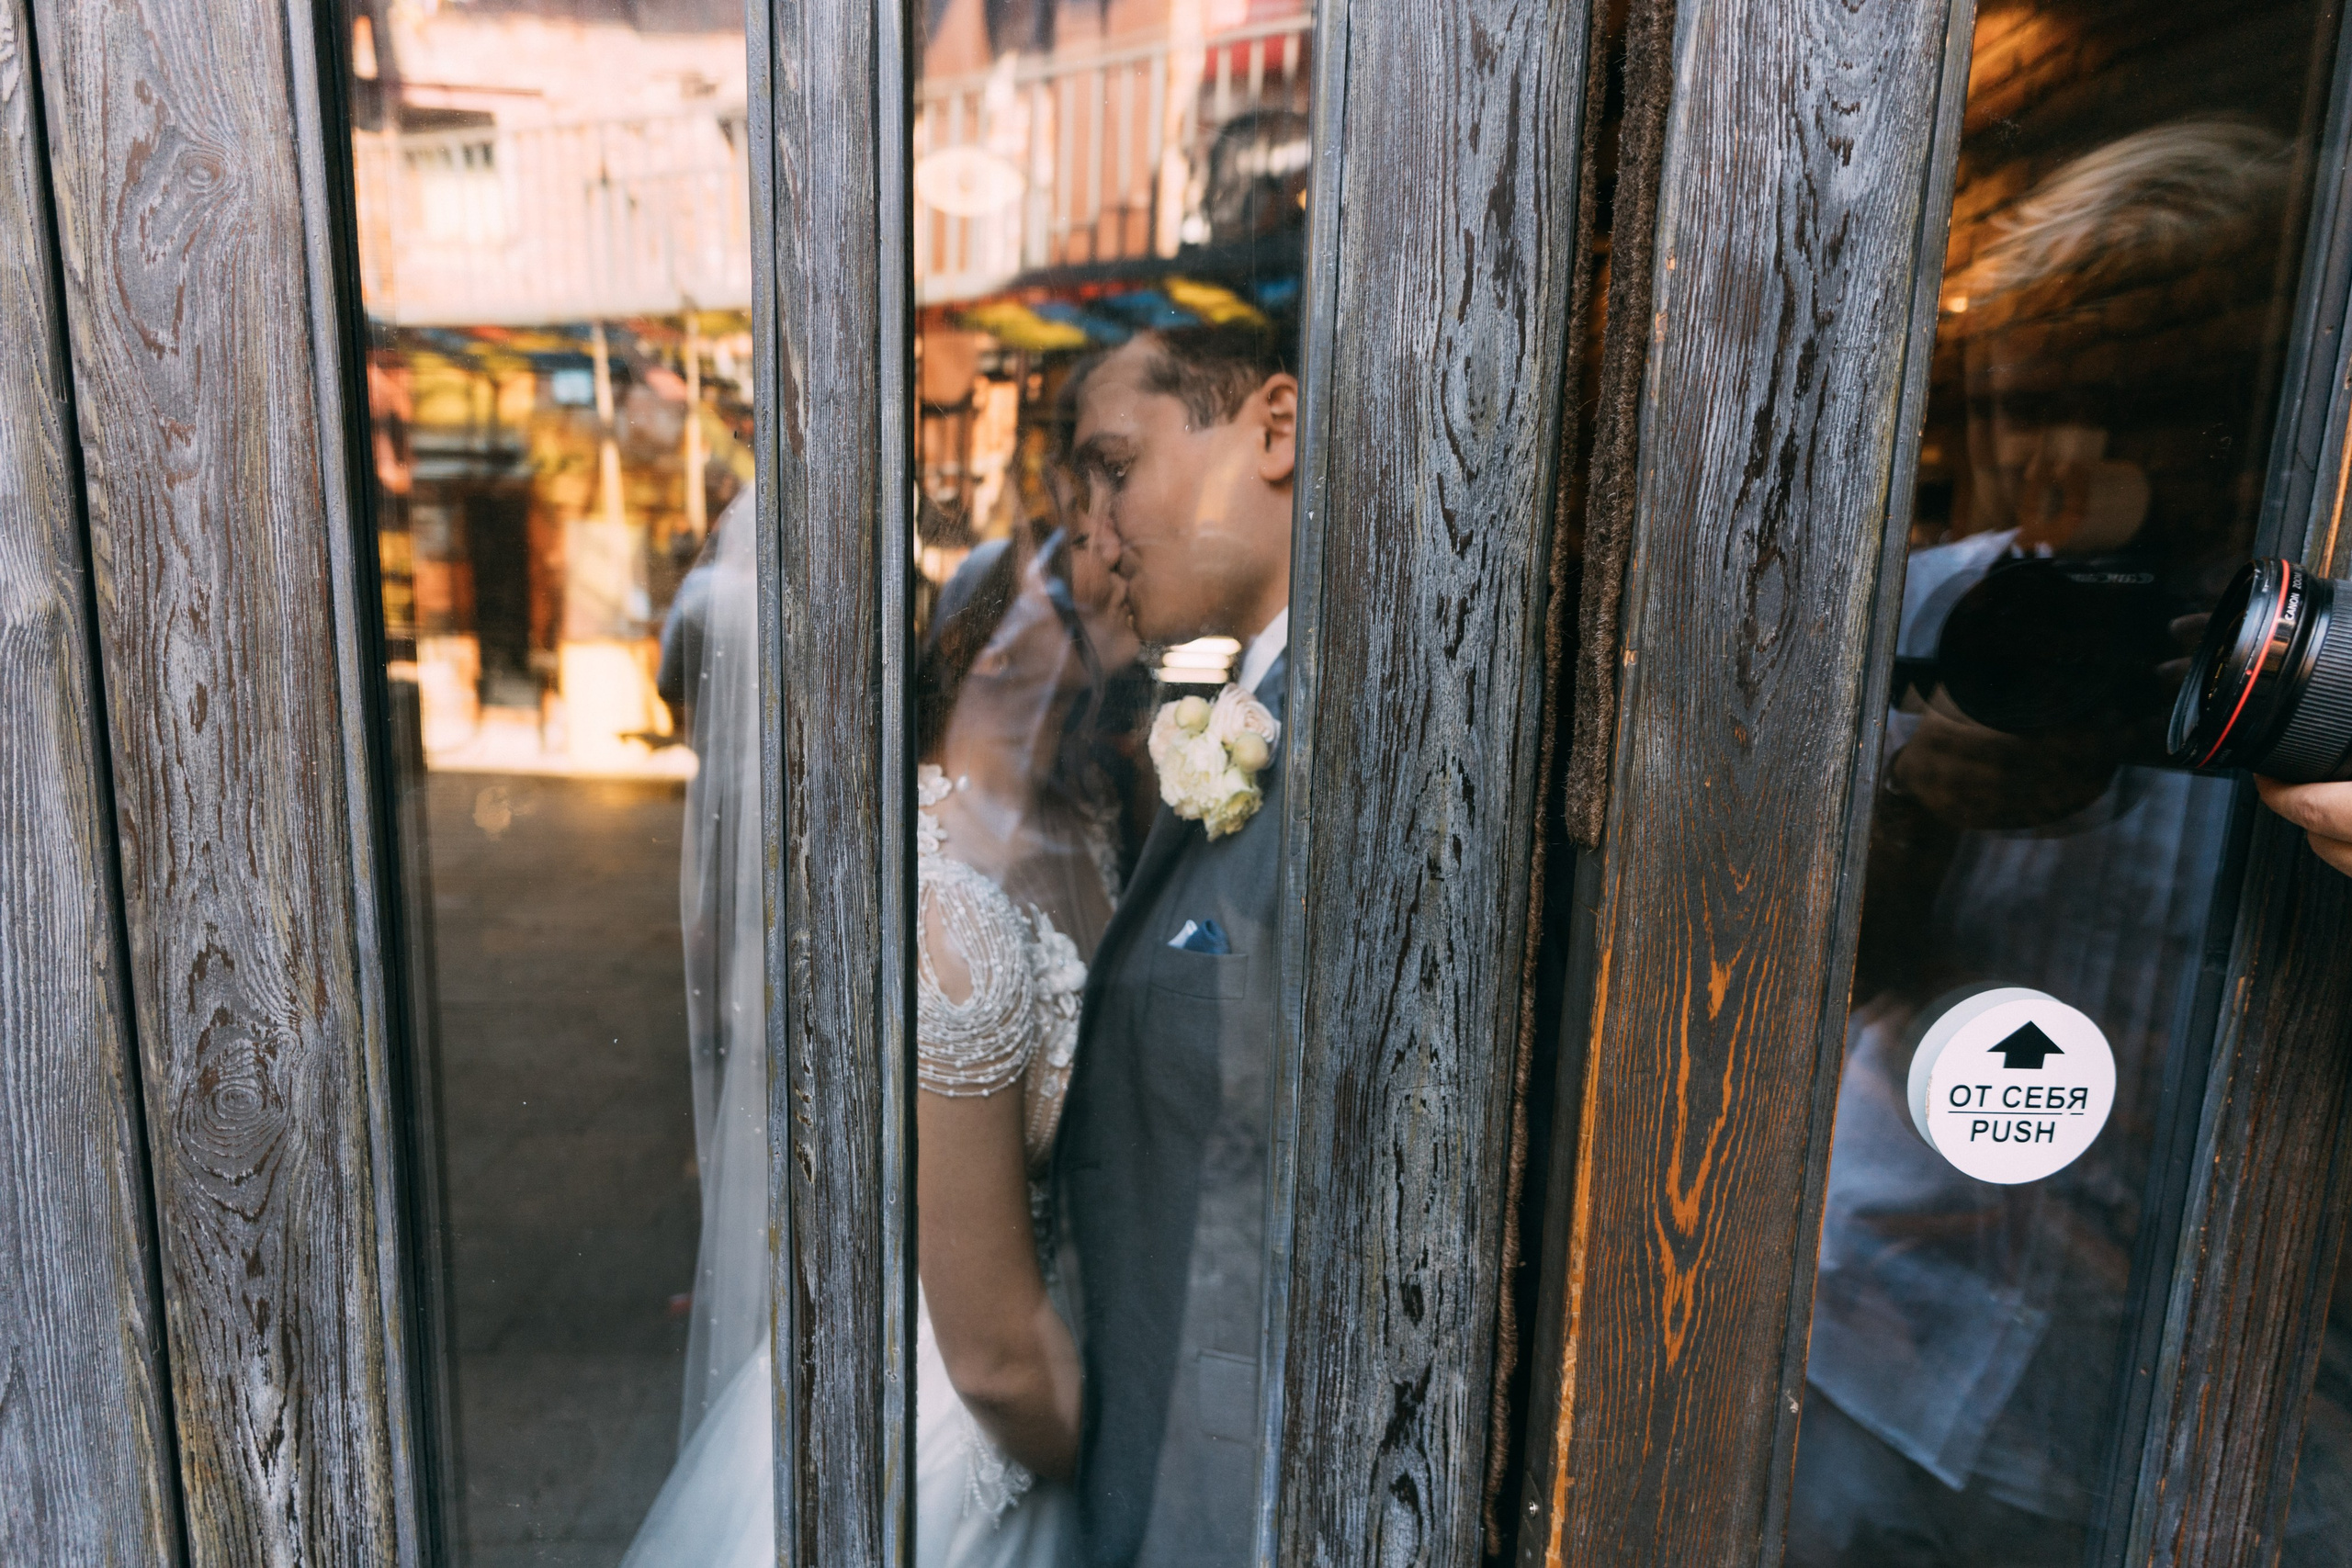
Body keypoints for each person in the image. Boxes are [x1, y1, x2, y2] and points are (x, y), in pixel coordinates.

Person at [621, 502, 1138, 1568]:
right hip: (965, 1418)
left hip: (1085, 1330)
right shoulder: (937, 906)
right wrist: (1148, 1469)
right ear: (985, 649)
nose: (1107, 559)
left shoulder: (1089, 817)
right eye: (1064, 570)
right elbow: (992, 1358)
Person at [1056, 319, 1297, 1567]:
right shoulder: (1240, 701)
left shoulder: (1359, 717)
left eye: (1115, 466)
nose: (1096, 536)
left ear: (1273, 429)